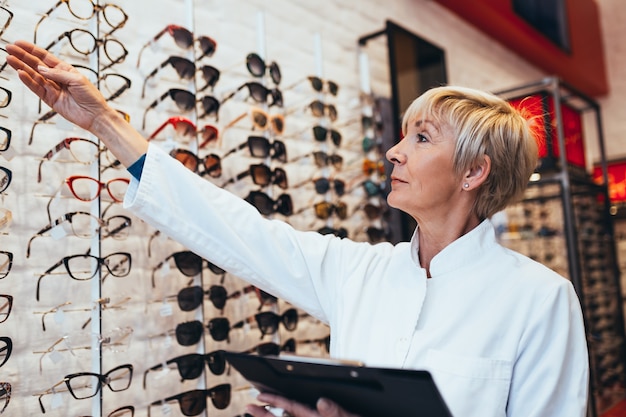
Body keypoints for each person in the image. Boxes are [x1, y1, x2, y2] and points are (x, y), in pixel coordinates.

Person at [6, 40, 589, 417]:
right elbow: (237, 230)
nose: (392, 151)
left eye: (421, 137)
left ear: (474, 171)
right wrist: (105, 122)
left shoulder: (539, 302)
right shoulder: (361, 273)